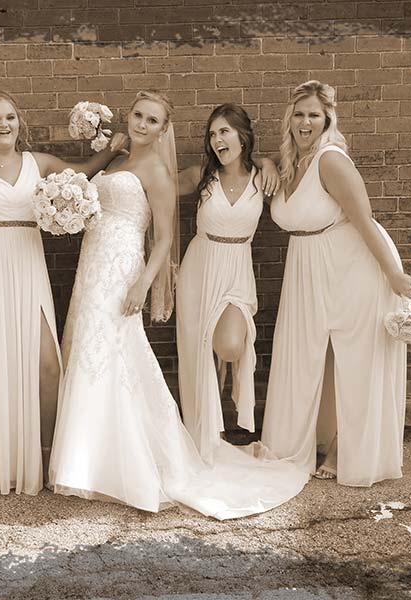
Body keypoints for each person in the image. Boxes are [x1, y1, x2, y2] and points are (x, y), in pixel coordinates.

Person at [50, 91, 309, 519]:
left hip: (124, 269)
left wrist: (144, 282)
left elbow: (166, 236)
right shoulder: (117, 161)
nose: (142, 124)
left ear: (163, 129)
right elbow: (86, 183)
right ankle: (89, 460)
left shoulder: (157, 169)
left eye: (153, 120)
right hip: (93, 264)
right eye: (138, 115)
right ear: (128, 117)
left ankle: (122, 462)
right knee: (91, 352)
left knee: (115, 353)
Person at [0, 90, 126, 495]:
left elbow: (86, 170)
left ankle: (44, 457)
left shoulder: (37, 163)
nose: (4, 124)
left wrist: (114, 147)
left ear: (19, 122)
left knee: (47, 366)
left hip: (27, 262)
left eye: (9, 117)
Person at [261, 80, 411, 486]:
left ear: (327, 119)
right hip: (308, 269)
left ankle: (345, 447)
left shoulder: (331, 160)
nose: (305, 121)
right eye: (299, 113)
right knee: (304, 355)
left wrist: (393, 275)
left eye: (314, 114)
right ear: (289, 119)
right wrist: (264, 164)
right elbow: (274, 175)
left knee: (357, 358)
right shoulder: (292, 161)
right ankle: (296, 442)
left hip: (355, 267)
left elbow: (364, 220)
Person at [175, 103, 280, 461]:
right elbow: (156, 186)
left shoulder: (262, 177)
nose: (217, 139)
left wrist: (268, 163)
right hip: (200, 267)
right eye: (212, 133)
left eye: (224, 131)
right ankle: (208, 435)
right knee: (197, 350)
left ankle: (218, 415)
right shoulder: (202, 175)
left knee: (230, 345)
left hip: (237, 267)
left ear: (242, 136)